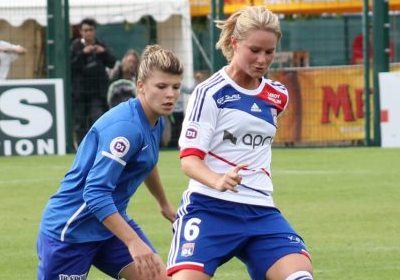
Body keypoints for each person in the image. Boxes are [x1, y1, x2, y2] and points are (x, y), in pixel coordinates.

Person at [167, 6, 313, 280]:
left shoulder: (277, 95)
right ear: (235, 43)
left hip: (261, 211)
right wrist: (217, 180)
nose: (262, 59)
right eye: (254, 50)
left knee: (300, 276)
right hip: (209, 207)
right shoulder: (209, 93)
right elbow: (189, 160)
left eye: (269, 52)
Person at [37, 44, 184, 280]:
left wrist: (164, 204)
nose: (170, 94)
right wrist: (134, 242)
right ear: (140, 87)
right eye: (161, 86)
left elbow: (146, 162)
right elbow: (95, 193)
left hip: (109, 227)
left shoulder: (157, 121)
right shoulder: (125, 129)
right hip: (72, 231)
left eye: (176, 87)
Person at [71, 17, 117, 146]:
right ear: (81, 32)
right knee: (80, 122)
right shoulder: (75, 46)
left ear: (94, 31)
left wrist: (103, 52)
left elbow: (112, 62)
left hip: (97, 91)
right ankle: (80, 147)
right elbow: (71, 66)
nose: (88, 33)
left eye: (90, 30)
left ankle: (101, 145)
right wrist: (83, 53)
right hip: (80, 92)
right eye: (85, 30)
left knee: (98, 119)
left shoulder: (101, 45)